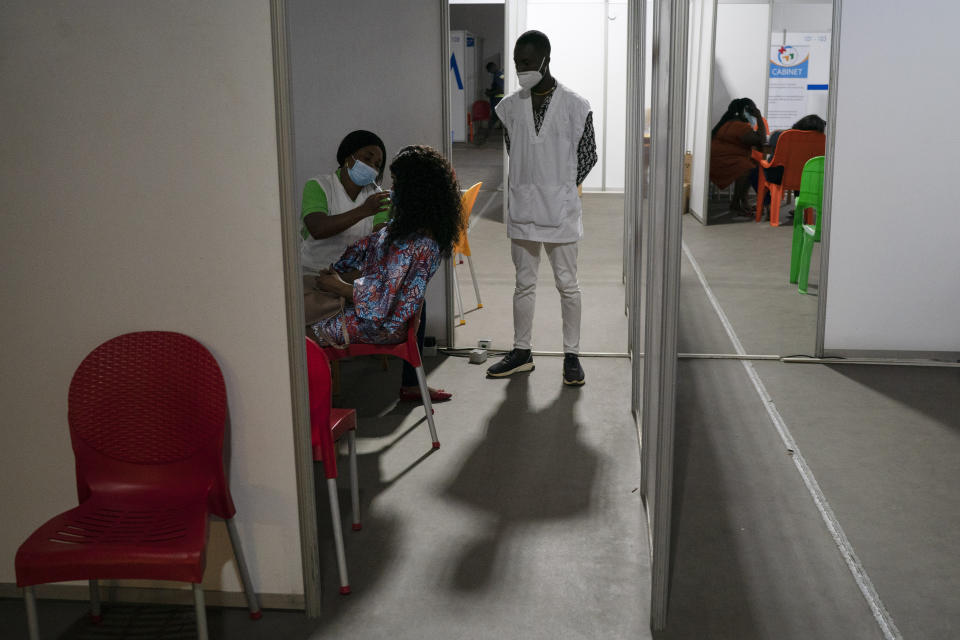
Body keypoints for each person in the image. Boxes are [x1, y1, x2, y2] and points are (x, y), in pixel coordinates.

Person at [485, 30, 598, 386]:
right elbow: (513, 150)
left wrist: (559, 187)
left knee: (568, 285)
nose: (521, 69)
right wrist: (532, 186)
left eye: (528, 62)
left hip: (559, 213)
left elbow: (588, 155)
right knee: (524, 284)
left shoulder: (575, 105)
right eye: (518, 62)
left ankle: (572, 356)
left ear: (546, 59)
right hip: (522, 211)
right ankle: (522, 352)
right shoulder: (509, 107)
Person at [307, 145, 463, 401]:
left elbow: (380, 301)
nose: (392, 188)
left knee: (298, 335)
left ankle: (308, 416)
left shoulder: (417, 243)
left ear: (415, 189)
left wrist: (336, 286)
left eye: (398, 181)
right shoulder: (408, 230)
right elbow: (370, 256)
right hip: (379, 314)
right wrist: (337, 276)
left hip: (381, 323)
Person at [300, 130, 392, 277]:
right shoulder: (319, 186)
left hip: (353, 278)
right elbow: (317, 229)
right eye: (367, 159)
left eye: (377, 165)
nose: (371, 167)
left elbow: (378, 247)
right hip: (313, 274)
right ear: (348, 157)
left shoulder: (377, 197)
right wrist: (364, 211)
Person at [709, 98, 767, 215]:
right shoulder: (740, 126)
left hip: (719, 159)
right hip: (721, 162)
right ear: (745, 111)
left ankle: (742, 201)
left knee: (753, 164)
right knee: (747, 168)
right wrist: (759, 117)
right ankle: (736, 203)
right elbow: (761, 140)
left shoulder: (728, 122)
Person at [484, 61, 505, 128]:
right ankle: (486, 137)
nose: (489, 72)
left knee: (492, 120)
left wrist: (490, 93)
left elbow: (500, 90)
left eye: (489, 70)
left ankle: (485, 137)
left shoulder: (497, 76)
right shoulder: (500, 74)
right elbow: (498, 88)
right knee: (495, 120)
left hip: (498, 102)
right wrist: (490, 90)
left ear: (492, 67)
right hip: (499, 101)